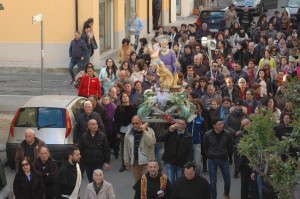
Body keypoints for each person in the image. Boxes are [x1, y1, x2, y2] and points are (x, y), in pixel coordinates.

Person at [203, 118, 233, 199]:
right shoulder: (207, 134)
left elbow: (231, 146)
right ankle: (214, 197)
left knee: (227, 180)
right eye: (219, 124)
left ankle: (226, 193)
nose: (221, 126)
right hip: (212, 159)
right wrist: (209, 155)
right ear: (214, 126)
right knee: (213, 182)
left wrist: (227, 154)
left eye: (222, 124)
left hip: (223, 159)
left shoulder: (227, 134)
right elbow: (204, 147)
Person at [158, 117, 193, 185]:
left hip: (181, 162)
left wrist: (189, 163)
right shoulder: (171, 131)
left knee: (179, 182)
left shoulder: (188, 135)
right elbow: (161, 139)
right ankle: (172, 195)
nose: (180, 125)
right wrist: (169, 130)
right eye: (179, 123)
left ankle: (178, 195)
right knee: (171, 181)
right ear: (176, 124)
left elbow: (190, 150)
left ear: (185, 125)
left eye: (182, 124)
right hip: (170, 160)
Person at [124, 115, 156, 182]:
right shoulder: (128, 133)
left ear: (141, 122)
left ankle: (145, 192)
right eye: (133, 123)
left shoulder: (149, 131)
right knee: (138, 183)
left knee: (145, 182)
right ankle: (140, 193)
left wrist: (144, 131)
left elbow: (151, 143)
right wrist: (126, 162)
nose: (134, 125)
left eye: (136, 123)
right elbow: (126, 149)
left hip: (147, 162)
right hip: (135, 162)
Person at [114, 92, 137, 172]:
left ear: (128, 98)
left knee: (133, 147)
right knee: (124, 148)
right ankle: (124, 164)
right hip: (122, 131)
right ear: (121, 99)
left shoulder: (133, 107)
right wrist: (117, 132)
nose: (125, 98)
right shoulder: (118, 109)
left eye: (126, 96)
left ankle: (133, 162)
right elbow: (116, 121)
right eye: (123, 97)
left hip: (132, 130)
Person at [225, 99, 248, 178]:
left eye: (239, 105)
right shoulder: (230, 114)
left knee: (243, 155)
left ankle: (242, 169)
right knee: (236, 156)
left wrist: (242, 132)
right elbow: (227, 125)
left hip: (243, 138)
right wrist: (234, 132)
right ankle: (236, 171)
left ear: (242, 106)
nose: (237, 106)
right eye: (236, 105)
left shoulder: (245, 115)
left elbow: (248, 125)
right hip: (233, 137)